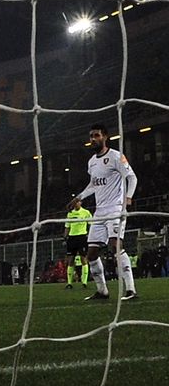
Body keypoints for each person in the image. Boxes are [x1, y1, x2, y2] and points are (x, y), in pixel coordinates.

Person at [74, 124, 139, 301]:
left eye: (96, 135)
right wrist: (79, 196)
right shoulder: (92, 162)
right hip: (99, 212)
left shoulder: (116, 156)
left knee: (115, 245)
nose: (93, 139)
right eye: (91, 136)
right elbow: (94, 185)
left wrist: (128, 197)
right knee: (92, 254)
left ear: (105, 137)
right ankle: (102, 291)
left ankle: (131, 290)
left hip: (116, 209)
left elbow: (132, 177)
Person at [64, 197, 92, 289]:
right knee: (71, 260)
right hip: (72, 238)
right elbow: (67, 226)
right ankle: (69, 283)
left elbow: (91, 224)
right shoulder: (70, 214)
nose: (76, 204)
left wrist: (90, 235)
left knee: (83, 259)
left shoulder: (86, 213)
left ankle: (84, 282)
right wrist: (65, 237)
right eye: (75, 202)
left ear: (81, 203)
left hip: (82, 237)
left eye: (77, 202)